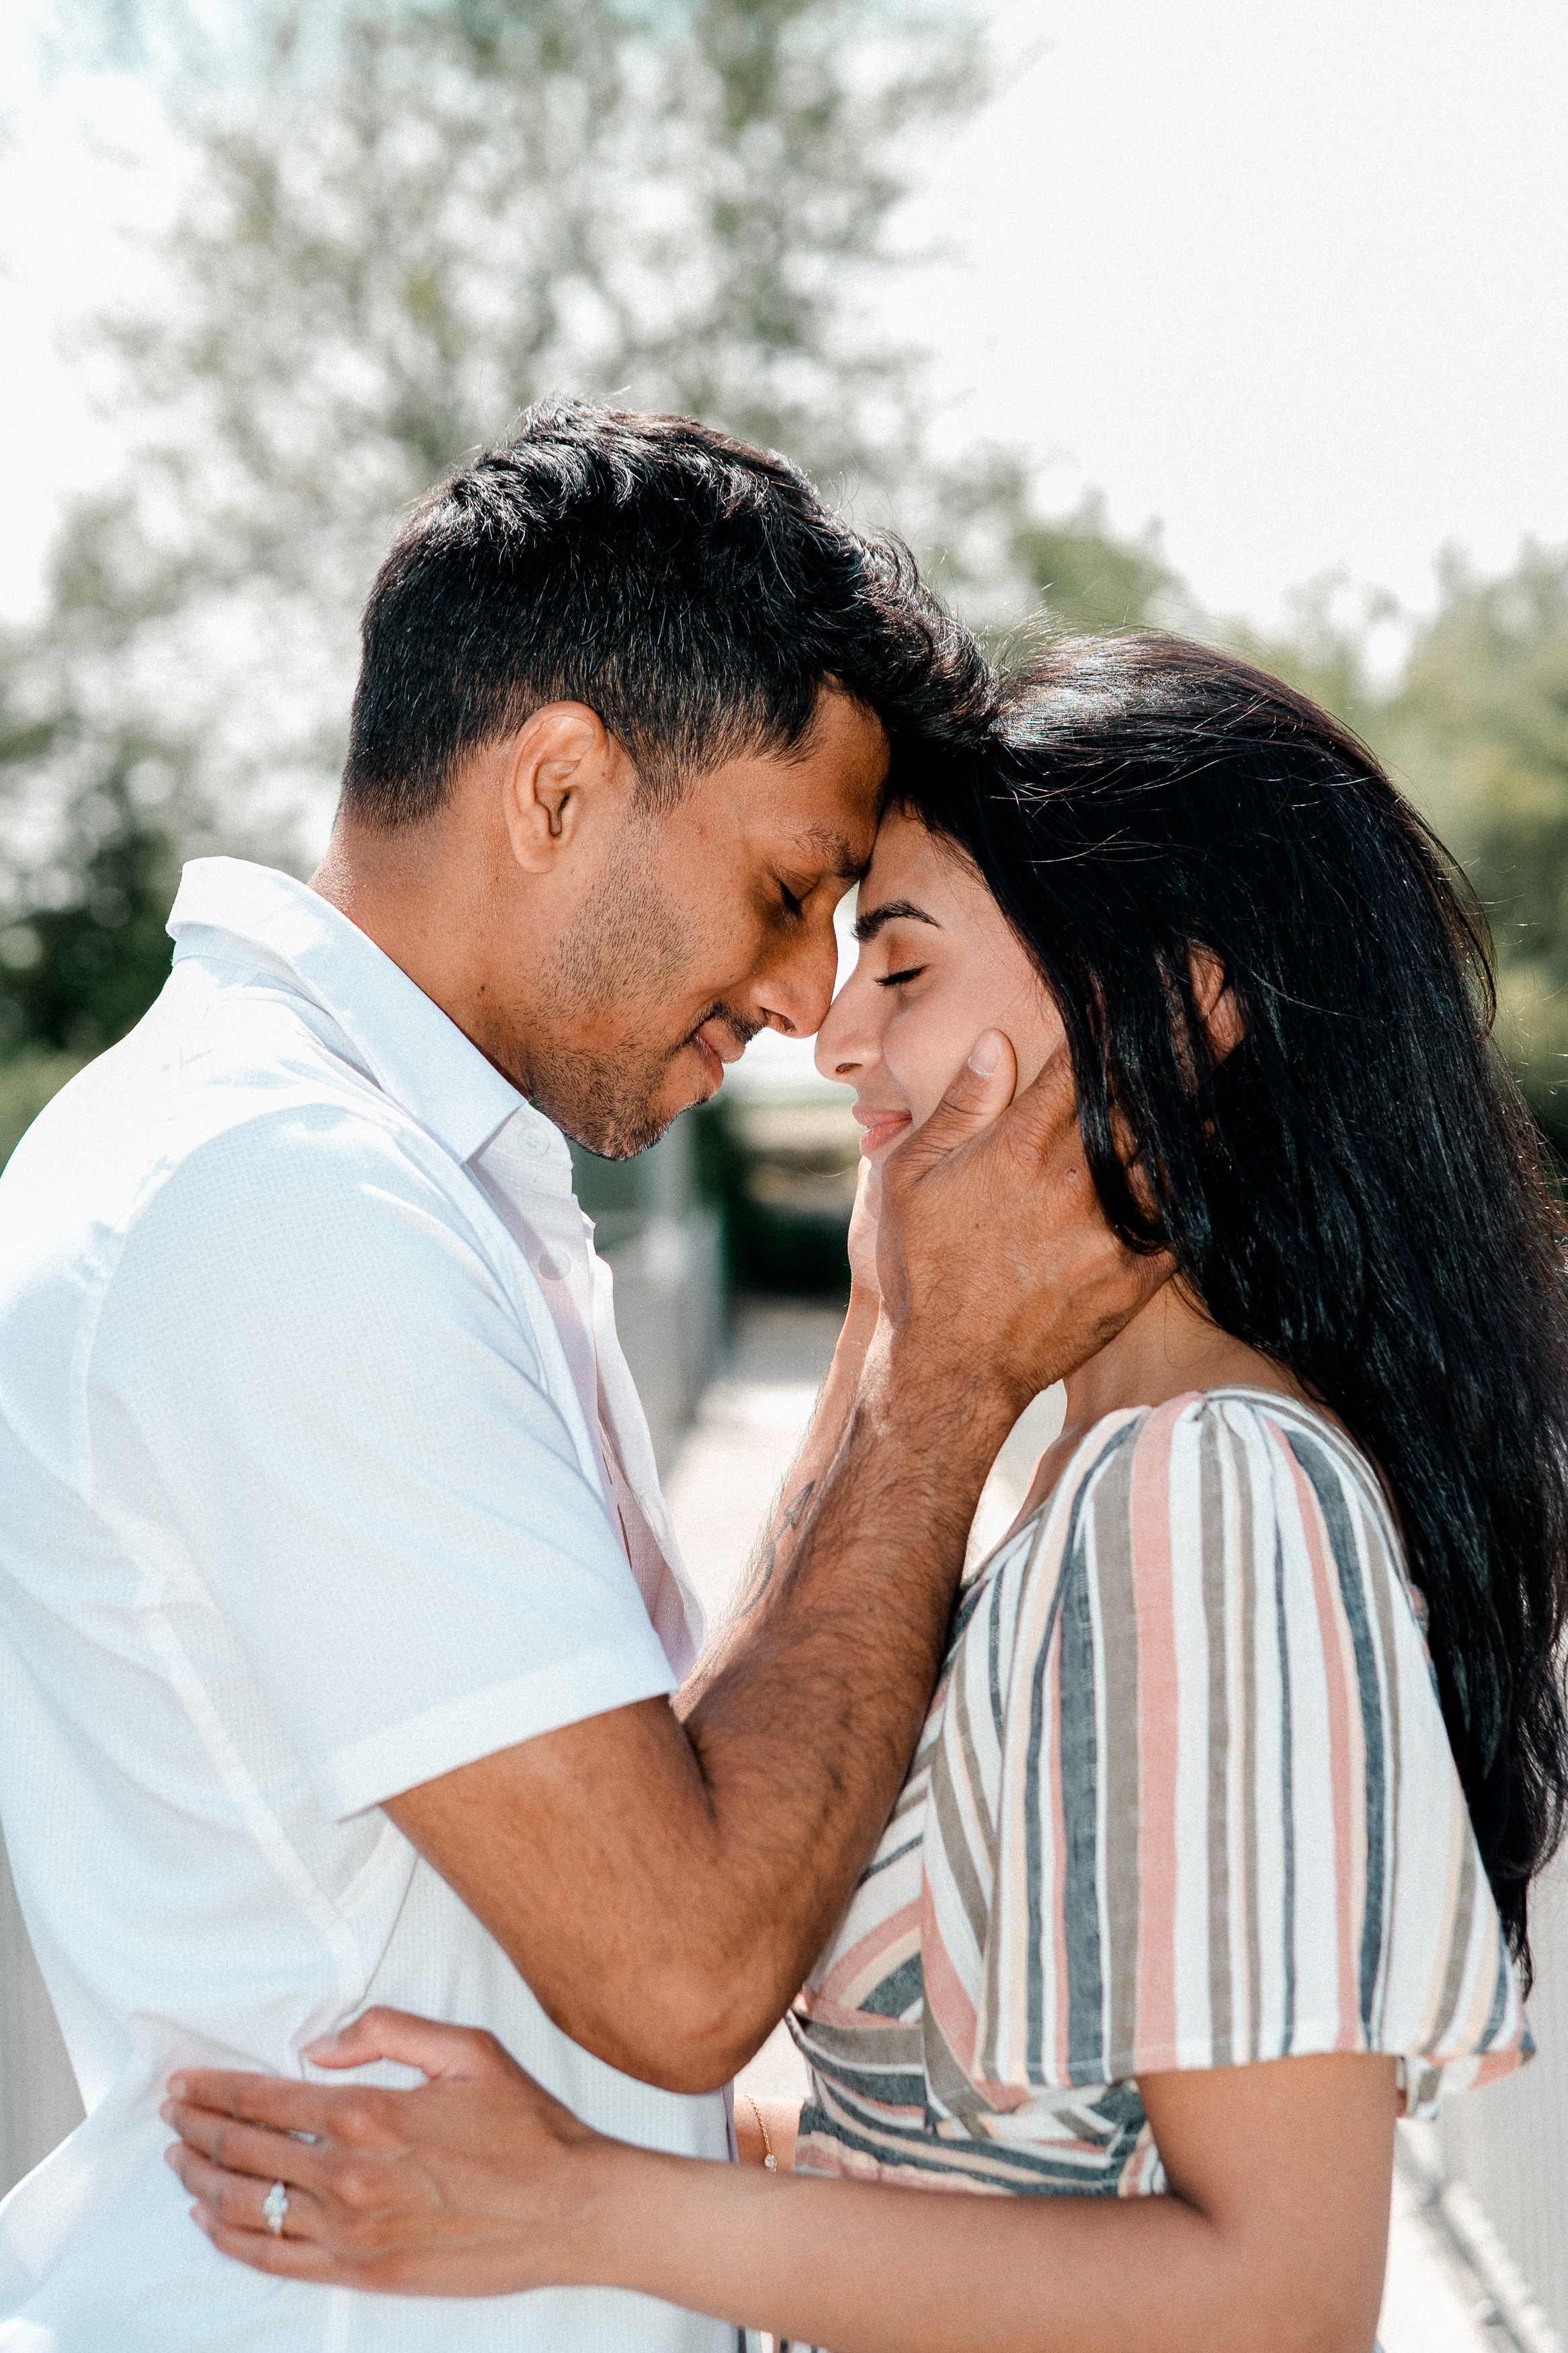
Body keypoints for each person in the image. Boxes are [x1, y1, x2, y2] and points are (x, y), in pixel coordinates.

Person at [164, 637, 1568, 2353]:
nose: (829, 1034)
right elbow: (983, 2181)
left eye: (896, 966)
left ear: (1179, 1016)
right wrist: (523, 2166)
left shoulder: (1214, 1495)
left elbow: (1276, 2300)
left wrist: (579, 2203)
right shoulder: (1092, 1482)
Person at [0, 409, 1159, 2353]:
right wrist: (941, 1371)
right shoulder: (280, 1203)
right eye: (791, 888)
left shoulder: (365, 1173)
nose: (807, 998)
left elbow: (635, 1847)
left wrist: (886, 1320)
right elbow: (681, 1958)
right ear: (554, 788)